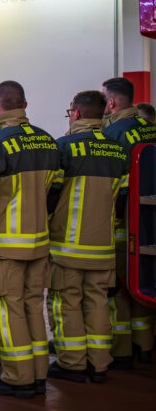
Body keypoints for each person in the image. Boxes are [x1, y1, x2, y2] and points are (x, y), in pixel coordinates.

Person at [0, 81, 59, 398]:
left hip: (5, 245)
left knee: (9, 311)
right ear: (24, 104)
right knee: (33, 306)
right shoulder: (48, 142)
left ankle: (17, 377)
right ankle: (39, 374)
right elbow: (55, 193)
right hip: (39, 241)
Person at [47, 91, 127, 383]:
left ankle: (72, 363)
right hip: (103, 246)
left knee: (66, 302)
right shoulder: (119, 151)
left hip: (67, 246)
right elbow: (122, 201)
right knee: (98, 302)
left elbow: (52, 195)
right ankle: (99, 363)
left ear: (77, 113)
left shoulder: (63, 147)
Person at [101, 77, 156, 367]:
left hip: (124, 226)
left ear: (111, 102)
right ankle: (145, 343)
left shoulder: (113, 132)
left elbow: (117, 184)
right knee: (146, 281)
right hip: (150, 223)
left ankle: (121, 349)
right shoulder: (150, 127)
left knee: (119, 287)